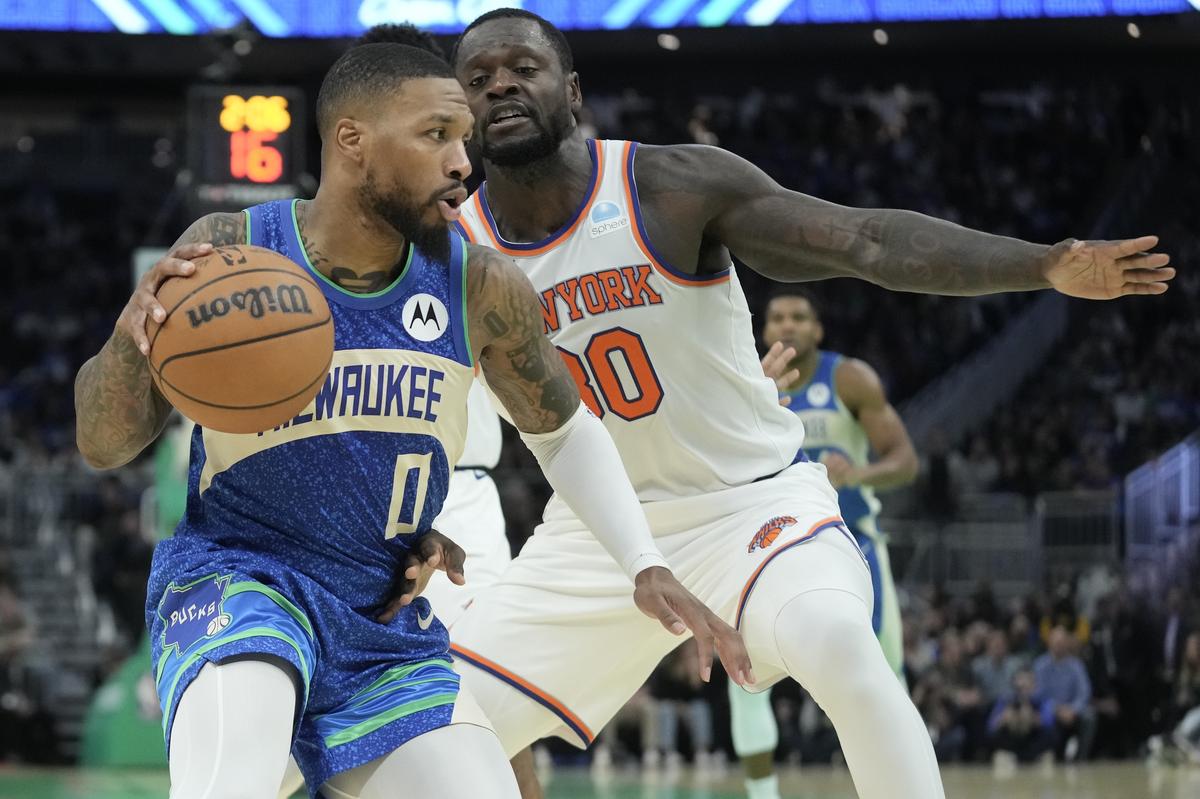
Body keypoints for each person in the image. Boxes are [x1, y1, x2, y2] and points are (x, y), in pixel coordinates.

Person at [443, 10, 1172, 799]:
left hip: (750, 510)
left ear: (574, 91)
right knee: (428, 728)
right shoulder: (453, 249)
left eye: (522, 67)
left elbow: (866, 243)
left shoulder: (671, 186)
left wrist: (1045, 264)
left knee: (838, 645)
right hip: (596, 540)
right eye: (478, 80)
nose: (501, 85)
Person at [73, 43, 746, 799]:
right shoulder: (231, 250)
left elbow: (563, 430)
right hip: (242, 582)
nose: (464, 161)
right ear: (353, 141)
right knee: (231, 782)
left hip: (383, 614)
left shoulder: (481, 281)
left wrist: (642, 560)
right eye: (436, 136)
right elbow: (103, 443)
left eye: (464, 139)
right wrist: (133, 337)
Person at [726, 289, 919, 799]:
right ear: (763, 330)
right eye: (777, 318)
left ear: (818, 329)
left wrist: (859, 473)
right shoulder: (743, 382)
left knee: (885, 678)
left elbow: (905, 459)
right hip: (764, 549)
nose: (787, 325)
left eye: (799, 317)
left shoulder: (849, 379)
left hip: (854, 545)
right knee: (743, 678)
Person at [1033, 625, 1095, 762]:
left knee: (1089, 717)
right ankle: (1053, 757)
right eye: (1056, 643)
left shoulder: (1077, 665)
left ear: (1067, 644)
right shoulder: (1040, 666)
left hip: (1073, 711)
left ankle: (1081, 759)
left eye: (1061, 643)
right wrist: (1057, 709)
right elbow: (1039, 695)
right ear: (1049, 643)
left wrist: (1073, 710)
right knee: (1042, 718)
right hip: (1051, 711)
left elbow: (1084, 693)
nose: (1058, 646)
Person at [987, 667, 1056, 766]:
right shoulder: (1006, 699)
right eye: (1020, 680)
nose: (1024, 683)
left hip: (1034, 741)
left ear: (1034, 684)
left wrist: (1032, 718)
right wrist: (1004, 719)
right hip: (1011, 741)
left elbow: (1049, 723)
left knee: (1050, 735)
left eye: (1028, 680)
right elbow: (991, 726)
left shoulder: (1042, 699)